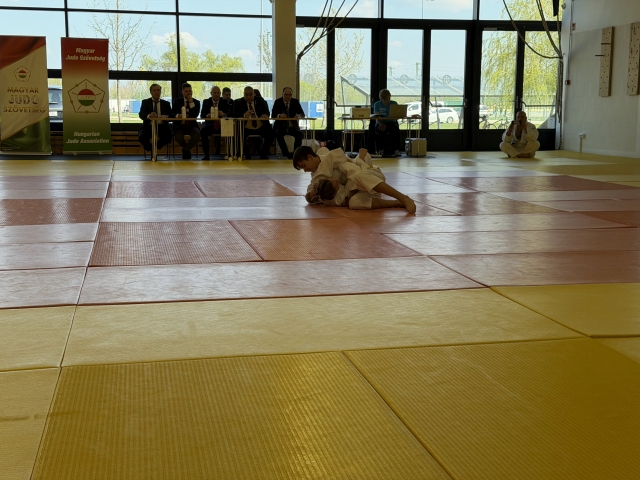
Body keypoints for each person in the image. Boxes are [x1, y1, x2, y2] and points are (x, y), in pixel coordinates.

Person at [292, 145, 416, 213]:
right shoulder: (316, 177)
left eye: (304, 166)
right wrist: (312, 194)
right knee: (354, 203)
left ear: (310, 157)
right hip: (366, 191)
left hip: (370, 177)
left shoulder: (332, 159)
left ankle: (403, 198)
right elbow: (309, 196)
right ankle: (397, 203)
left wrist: (360, 159)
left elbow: (355, 170)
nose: (305, 170)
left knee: (358, 175)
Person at [233, 86, 273, 159]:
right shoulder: (238, 102)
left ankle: (263, 153)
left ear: (254, 94)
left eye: (250, 94)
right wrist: (244, 115)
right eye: (246, 95)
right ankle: (246, 153)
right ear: (243, 94)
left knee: (271, 133)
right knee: (238, 133)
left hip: (260, 125)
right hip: (246, 127)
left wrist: (265, 115)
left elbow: (267, 111)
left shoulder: (260, 100)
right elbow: (234, 115)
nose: (248, 97)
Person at [138, 83, 172, 155]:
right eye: (154, 90)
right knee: (141, 137)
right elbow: (141, 115)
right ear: (151, 92)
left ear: (160, 91)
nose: (156, 92)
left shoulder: (166, 103)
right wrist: (149, 116)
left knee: (168, 136)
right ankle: (151, 149)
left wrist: (166, 117)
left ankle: (154, 148)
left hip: (162, 127)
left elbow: (171, 116)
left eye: (158, 90)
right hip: (148, 127)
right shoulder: (145, 102)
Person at [271, 87, 305, 159]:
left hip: (292, 126)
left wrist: (299, 115)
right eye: (286, 95)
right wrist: (279, 115)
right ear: (282, 94)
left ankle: (296, 153)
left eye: (290, 95)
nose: (288, 96)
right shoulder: (278, 102)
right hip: (280, 126)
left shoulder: (295, 102)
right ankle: (286, 153)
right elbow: (273, 115)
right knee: (278, 134)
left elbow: (302, 113)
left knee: (299, 134)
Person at [171, 82, 201, 159]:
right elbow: (172, 113)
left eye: (190, 91)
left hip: (192, 126)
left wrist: (191, 103)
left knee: (197, 135)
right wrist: (178, 115)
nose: (188, 93)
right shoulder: (177, 101)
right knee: (178, 136)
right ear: (182, 92)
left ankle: (185, 150)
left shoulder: (196, 102)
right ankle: (187, 150)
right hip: (179, 125)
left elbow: (195, 115)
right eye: (186, 91)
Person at [200, 85, 230, 159]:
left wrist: (224, 114)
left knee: (231, 129)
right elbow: (202, 114)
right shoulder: (206, 101)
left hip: (222, 124)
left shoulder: (224, 101)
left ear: (220, 94)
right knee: (203, 131)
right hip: (210, 124)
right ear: (211, 93)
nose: (216, 94)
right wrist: (208, 115)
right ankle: (206, 155)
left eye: (218, 93)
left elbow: (230, 113)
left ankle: (230, 153)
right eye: (215, 93)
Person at [372, 89, 401, 156]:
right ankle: (381, 149)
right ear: (381, 99)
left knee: (395, 130)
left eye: (387, 99)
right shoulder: (377, 104)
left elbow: (397, 116)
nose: (386, 101)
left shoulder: (394, 103)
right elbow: (377, 116)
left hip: (391, 122)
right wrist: (381, 124)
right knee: (380, 130)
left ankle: (396, 149)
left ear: (389, 97)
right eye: (384, 100)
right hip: (380, 122)